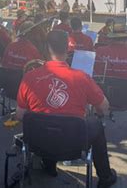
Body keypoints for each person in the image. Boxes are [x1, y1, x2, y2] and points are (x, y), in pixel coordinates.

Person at [16, 31, 117, 186]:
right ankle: (105, 177)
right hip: (74, 145)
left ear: (46, 48)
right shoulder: (82, 77)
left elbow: (20, 115)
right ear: (68, 49)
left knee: (46, 122)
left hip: (39, 143)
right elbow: (104, 107)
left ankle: (49, 165)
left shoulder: (29, 77)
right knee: (96, 125)